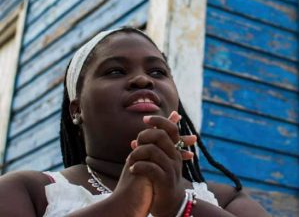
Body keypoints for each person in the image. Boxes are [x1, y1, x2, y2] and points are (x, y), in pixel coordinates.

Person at [0, 26, 270, 216]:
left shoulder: (225, 200)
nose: (144, 80)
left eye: (157, 71)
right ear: (76, 110)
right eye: (115, 71)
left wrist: (179, 205)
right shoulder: (27, 191)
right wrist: (124, 205)